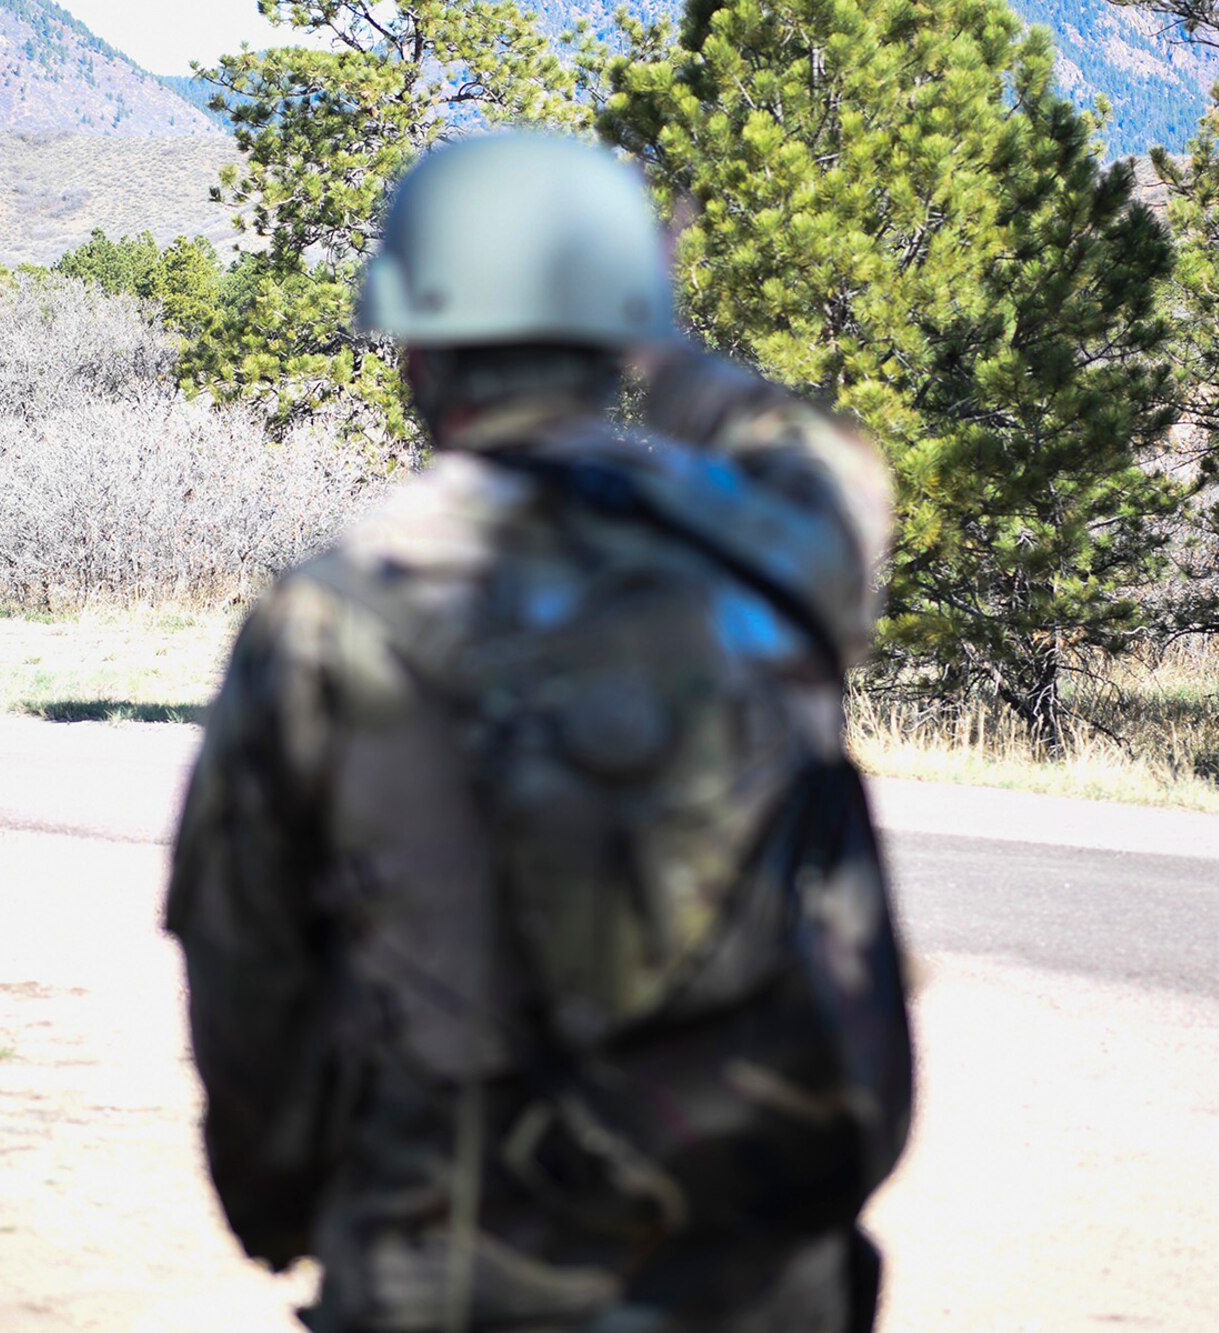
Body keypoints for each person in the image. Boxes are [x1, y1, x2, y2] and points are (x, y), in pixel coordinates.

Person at [166, 134, 915, 1333]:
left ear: (413, 344)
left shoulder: (332, 611)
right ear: (613, 332)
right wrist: (664, 352)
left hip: (459, 1272)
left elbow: (247, 961)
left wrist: (276, 1203)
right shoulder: (783, 549)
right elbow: (821, 454)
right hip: (767, 1276)